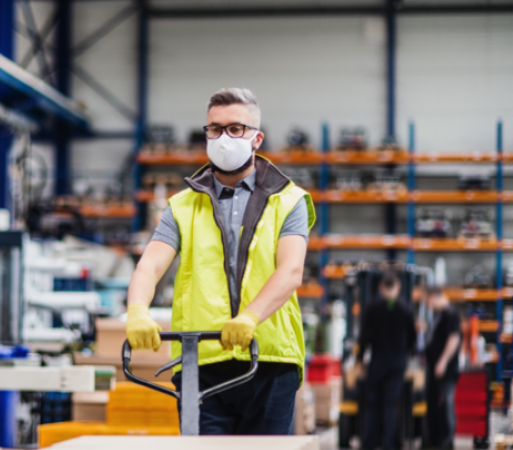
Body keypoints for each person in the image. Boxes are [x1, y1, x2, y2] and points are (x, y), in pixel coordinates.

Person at [125, 88, 315, 435]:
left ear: (256, 138)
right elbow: (149, 266)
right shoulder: (182, 206)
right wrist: (137, 309)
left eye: (235, 128)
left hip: (269, 361)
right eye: (214, 129)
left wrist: (250, 316)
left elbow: (291, 271)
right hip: (203, 363)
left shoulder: (289, 201)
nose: (224, 137)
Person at [356, 271, 417, 450]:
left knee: (372, 405)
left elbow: (363, 338)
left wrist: (360, 361)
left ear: (381, 287)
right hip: (397, 363)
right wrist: (405, 354)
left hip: (377, 362)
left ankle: (369, 443)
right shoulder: (406, 310)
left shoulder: (372, 309)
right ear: (398, 287)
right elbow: (413, 339)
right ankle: (389, 445)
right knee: (391, 405)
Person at [423, 286, 461, 449]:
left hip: (445, 369)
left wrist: (443, 361)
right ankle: (435, 441)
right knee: (435, 405)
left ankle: (447, 443)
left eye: (426, 300)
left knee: (446, 405)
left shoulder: (450, 314)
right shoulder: (440, 315)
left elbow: (454, 338)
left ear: (434, 296)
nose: (426, 304)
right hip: (436, 369)